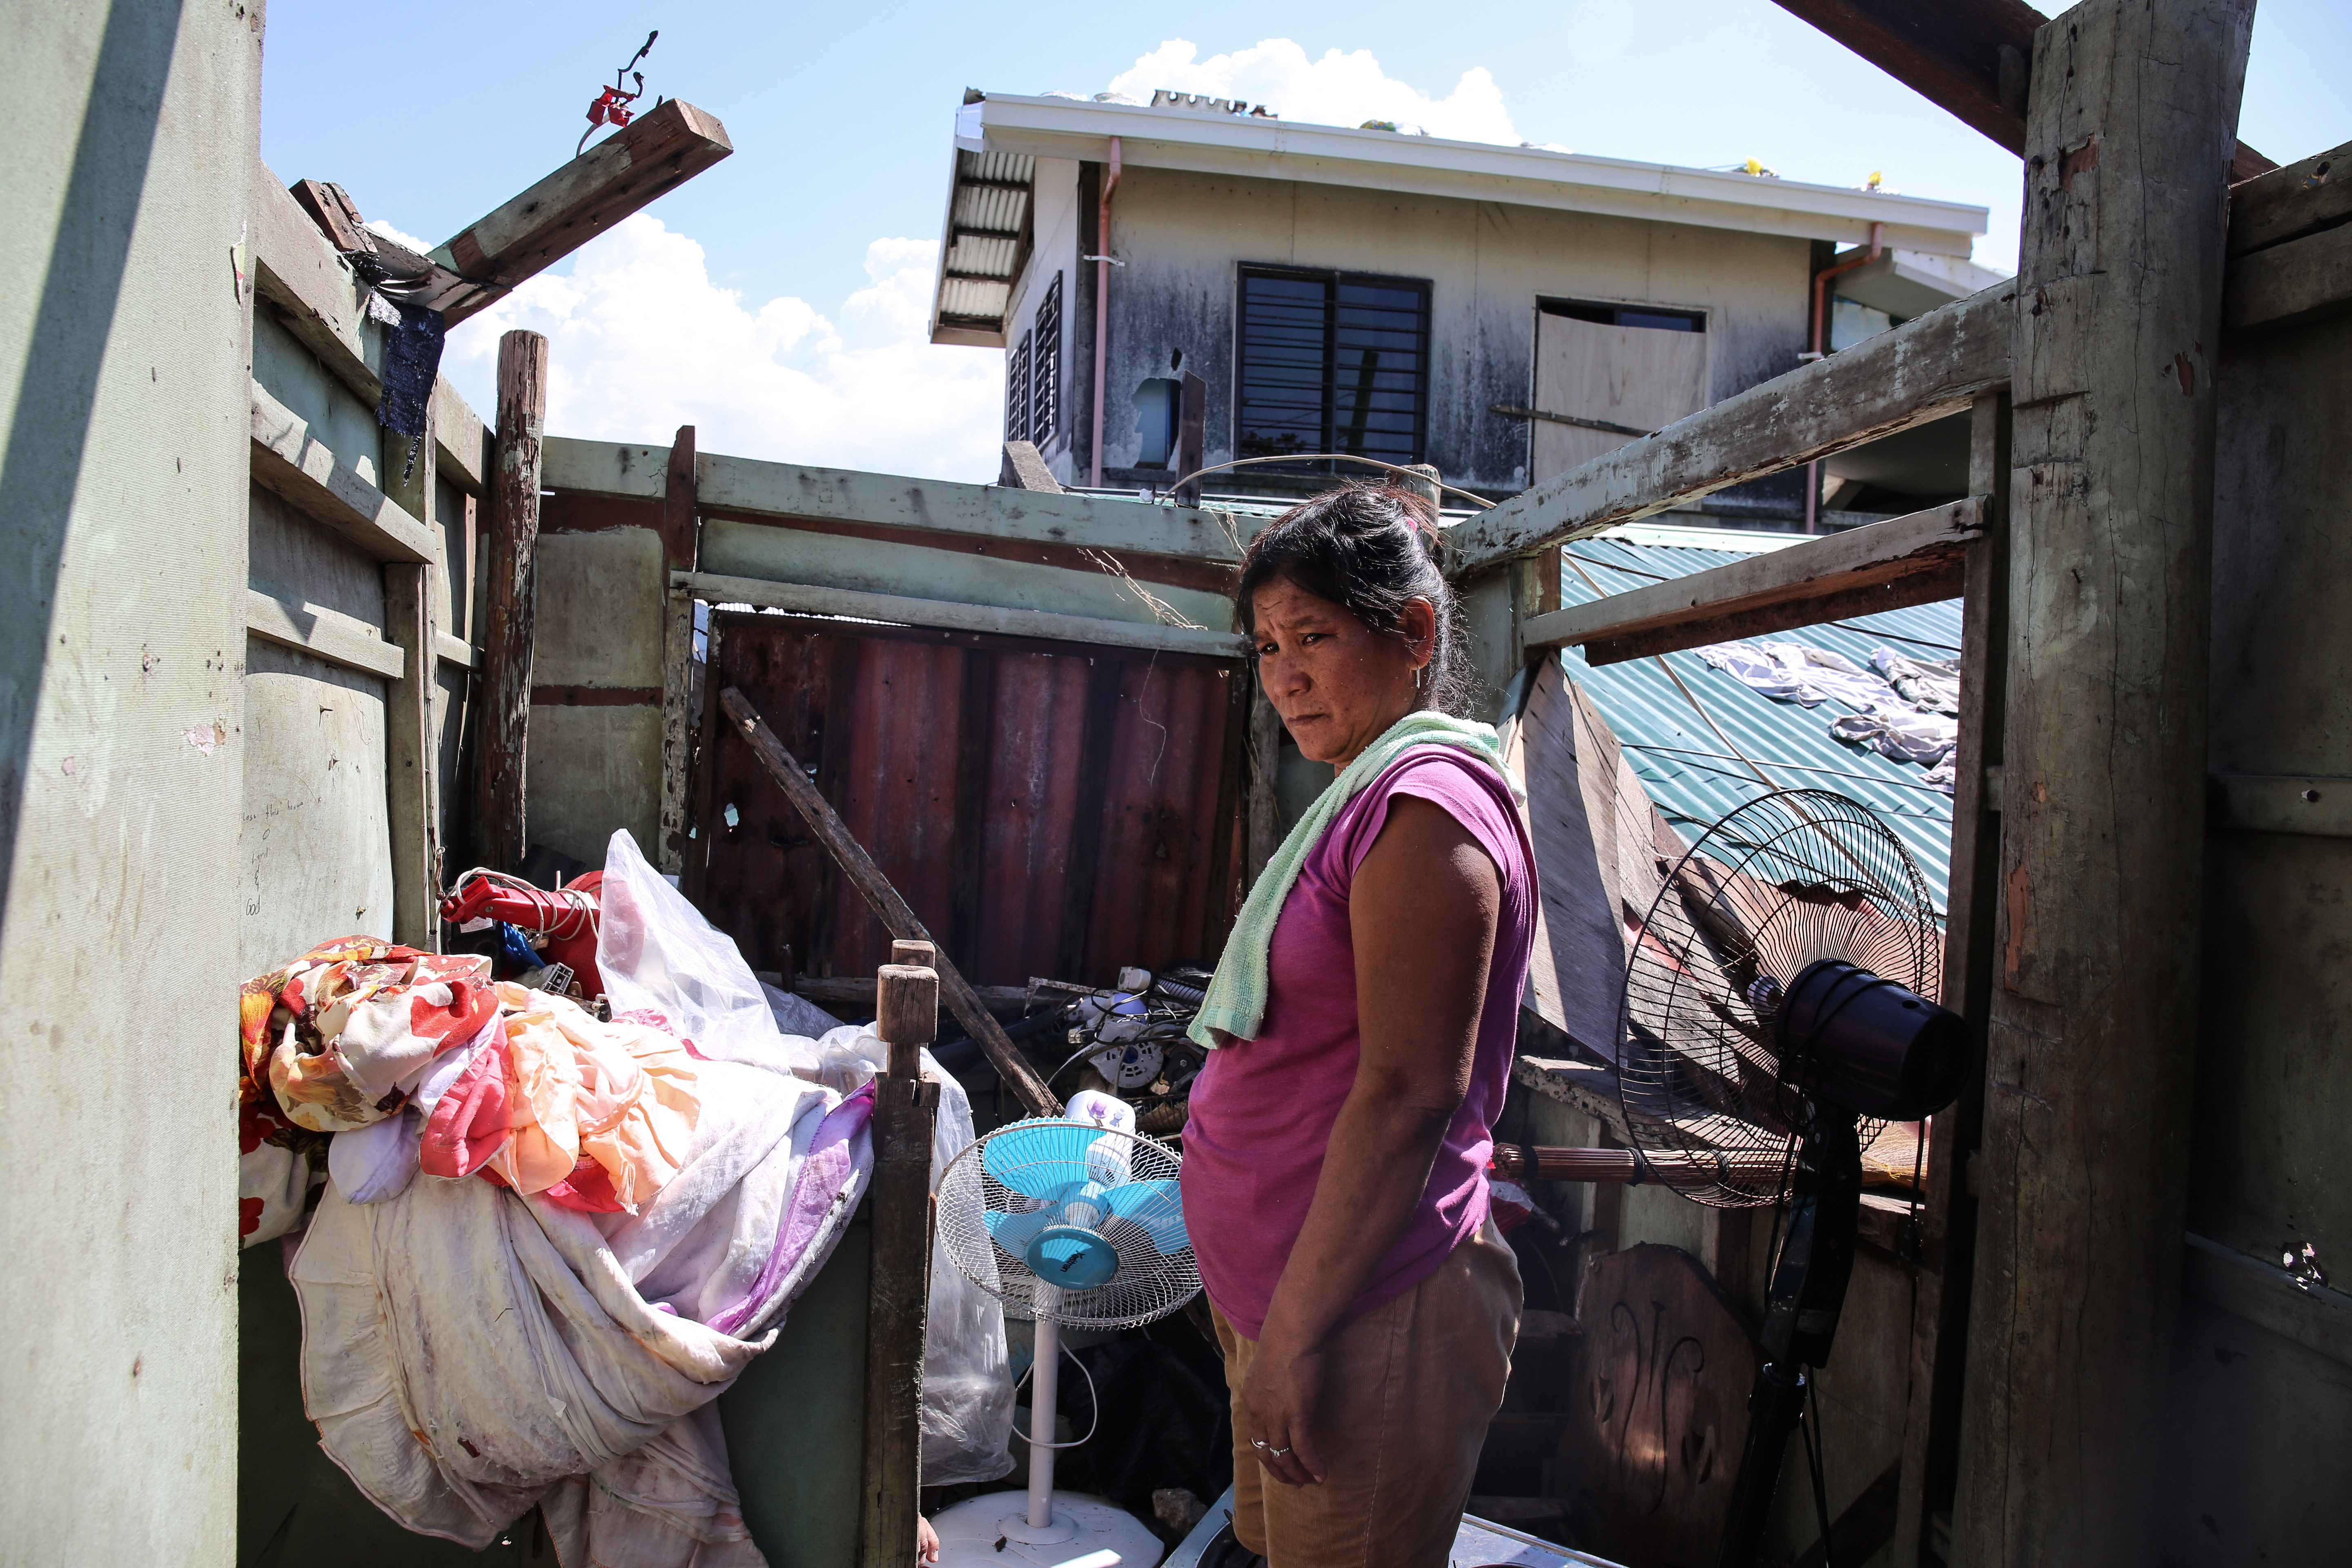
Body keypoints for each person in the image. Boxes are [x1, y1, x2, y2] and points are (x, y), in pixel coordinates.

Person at [1180, 482, 1538, 1568]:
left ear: (1413, 634)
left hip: (1359, 1318)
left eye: (1315, 637)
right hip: (1284, 1302)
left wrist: (1291, 1340)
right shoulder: (1361, 796)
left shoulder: (1427, 816)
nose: (1283, 674)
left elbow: (1407, 1095)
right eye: (1267, 645)